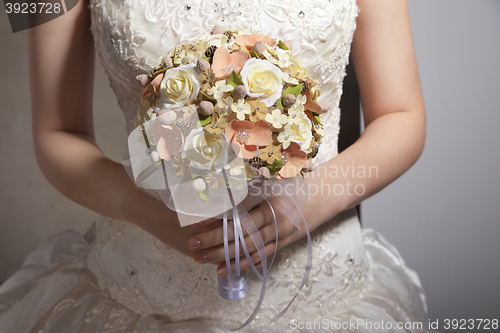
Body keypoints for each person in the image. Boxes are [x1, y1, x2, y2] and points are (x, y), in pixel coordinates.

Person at [0, 0, 438, 331]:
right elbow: (57, 134)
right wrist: (157, 217)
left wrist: (300, 208)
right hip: (140, 282)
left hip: (322, 287)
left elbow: (401, 115)